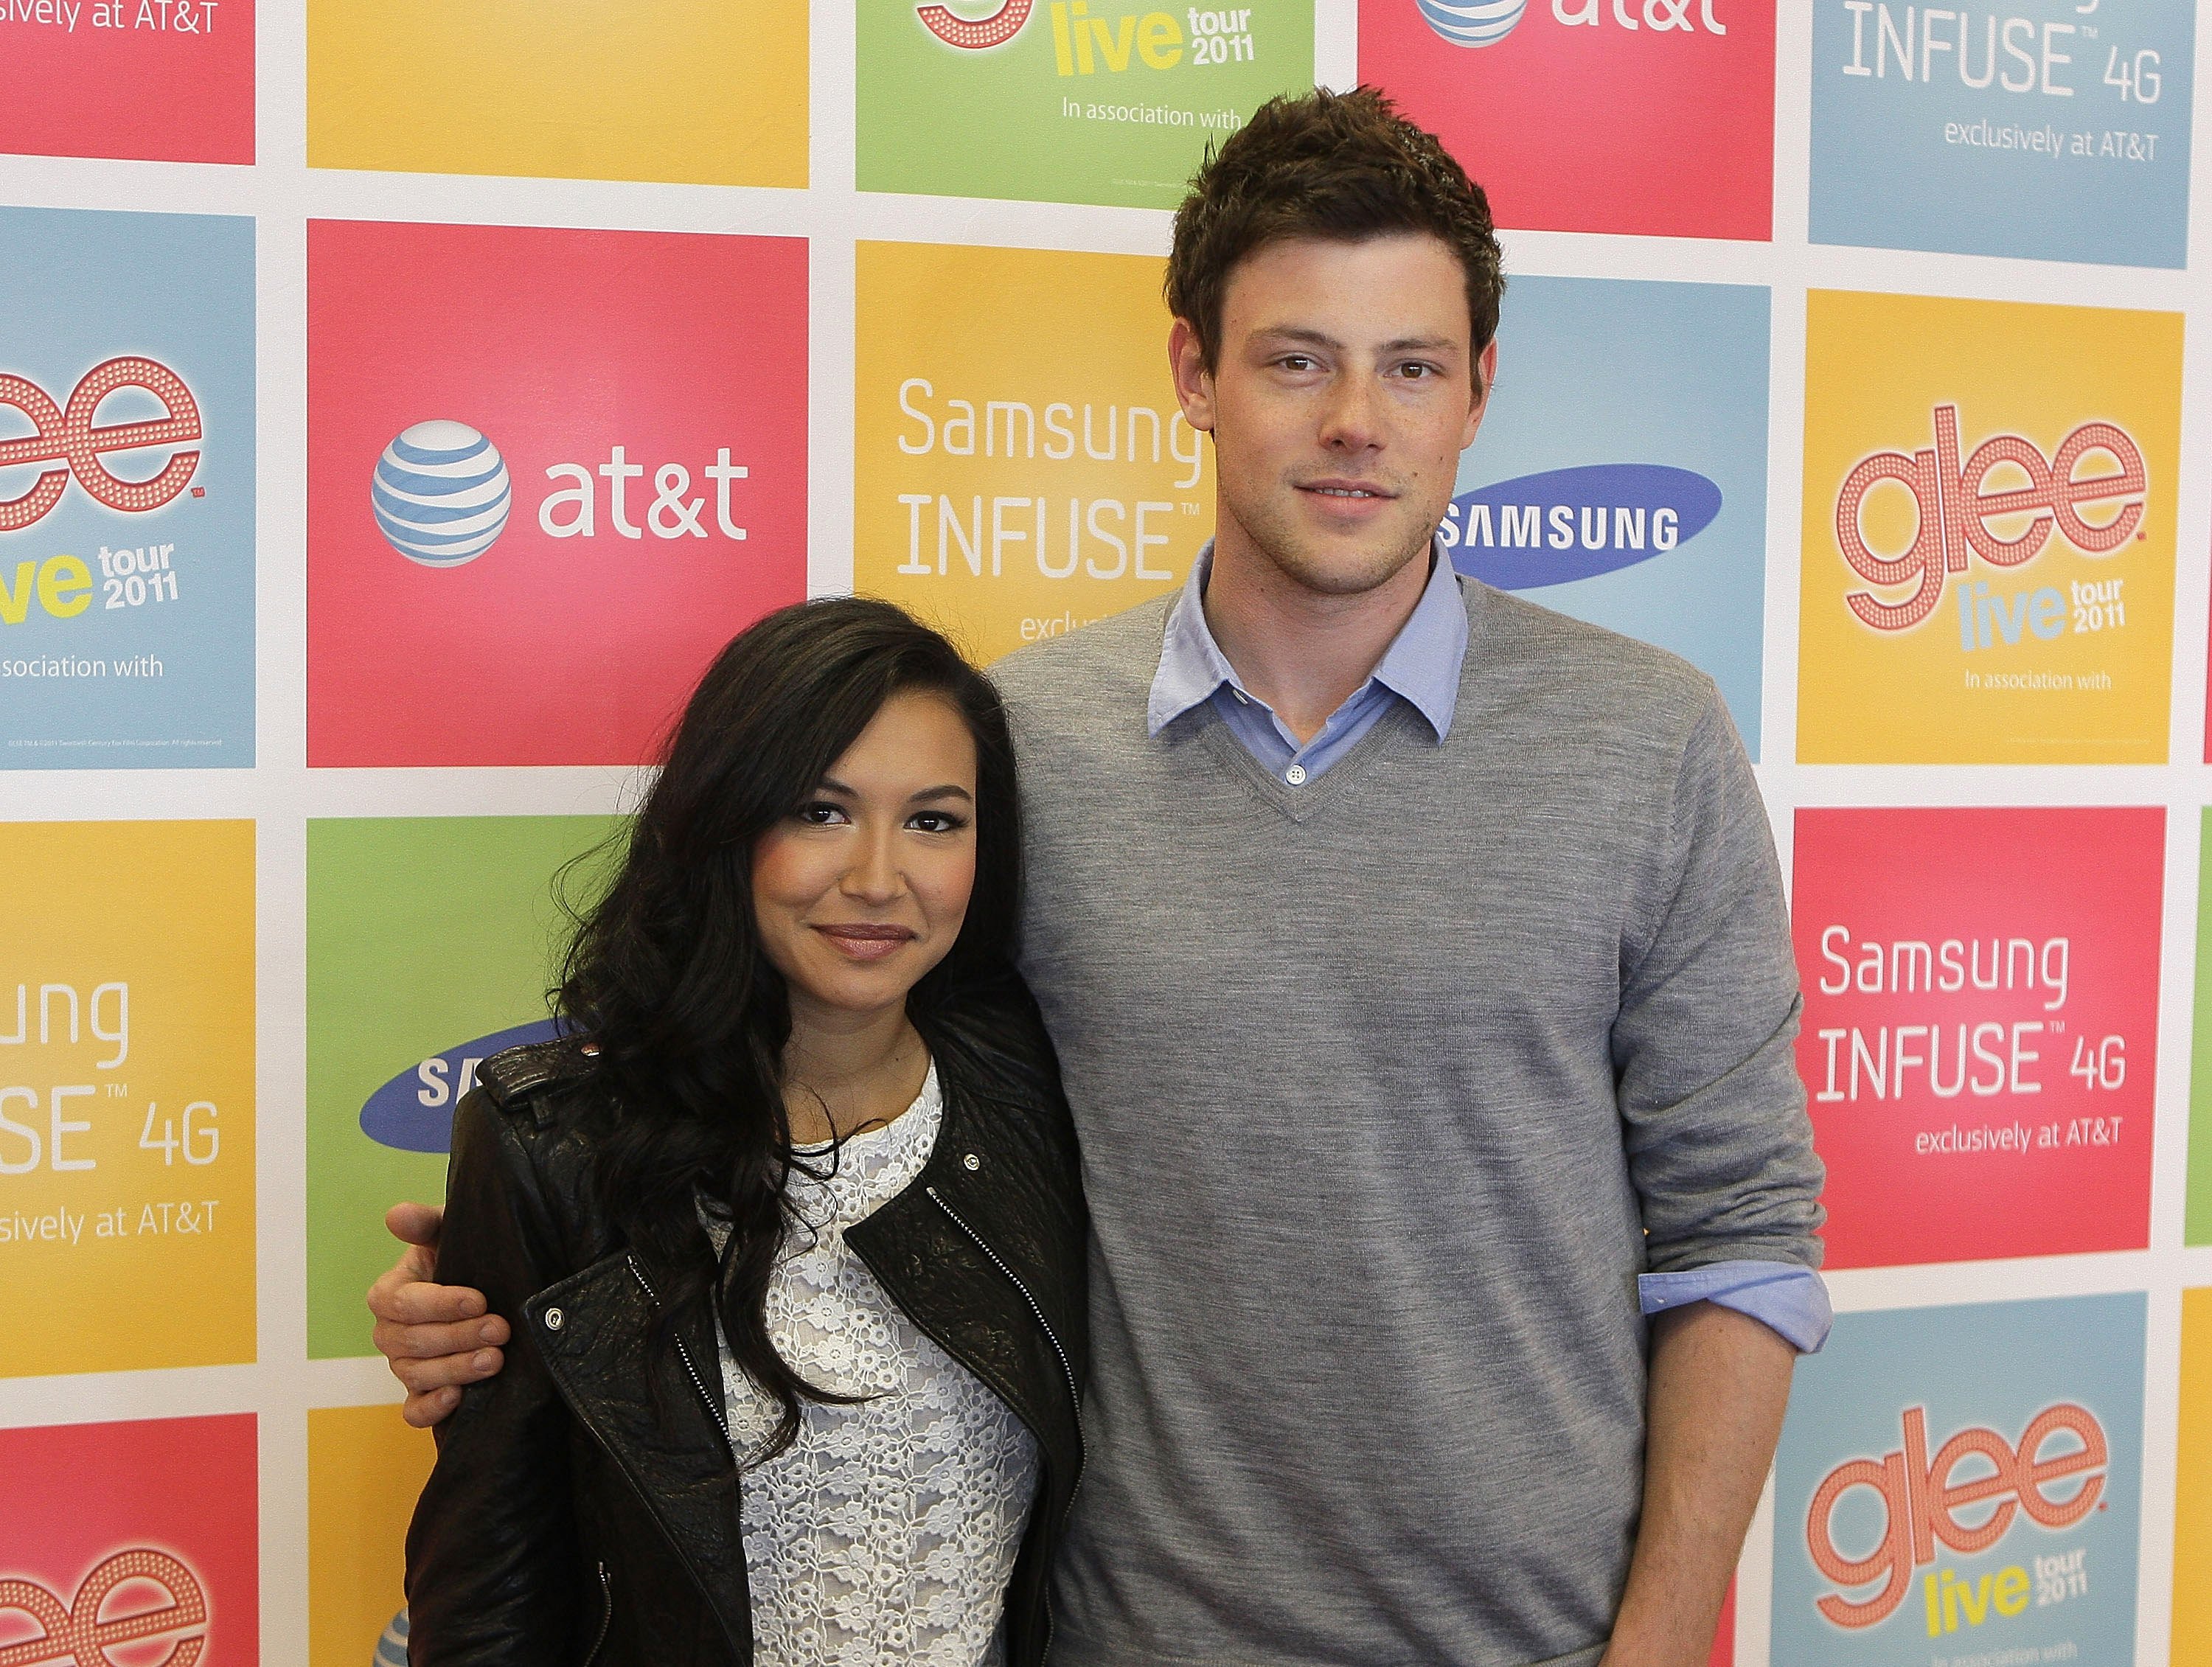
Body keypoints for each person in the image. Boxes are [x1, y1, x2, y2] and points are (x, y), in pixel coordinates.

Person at [375, 87, 1828, 1667]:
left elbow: (1740, 1226)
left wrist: (1669, 1630)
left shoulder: (1649, 736)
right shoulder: (1015, 753)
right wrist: (533, 1278)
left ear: (1478, 390)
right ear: (1195, 374)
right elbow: (820, 1085)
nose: (1357, 418)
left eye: (1411, 366)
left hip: (1536, 1642)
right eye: (1296, 359)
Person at [398, 598, 1086, 1666]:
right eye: (820, 810)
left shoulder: (1032, 1086)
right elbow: (493, 1594)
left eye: (934, 820)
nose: (876, 876)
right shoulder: (556, 1145)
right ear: (728, 821)